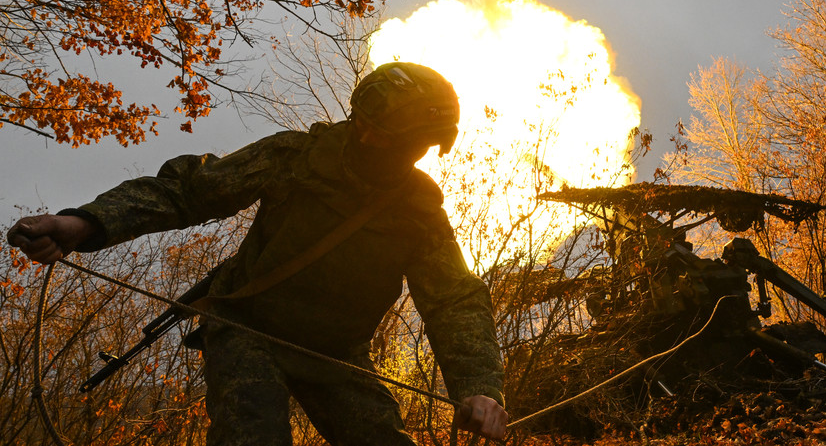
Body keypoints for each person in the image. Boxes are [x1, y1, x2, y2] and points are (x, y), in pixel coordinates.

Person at [7, 62, 507, 445]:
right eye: (398, 139)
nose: (405, 153)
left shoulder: (418, 209)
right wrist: (83, 223)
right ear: (363, 125)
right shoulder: (294, 158)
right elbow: (188, 192)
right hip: (249, 330)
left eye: (420, 145)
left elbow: (454, 302)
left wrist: (479, 387)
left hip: (335, 353)